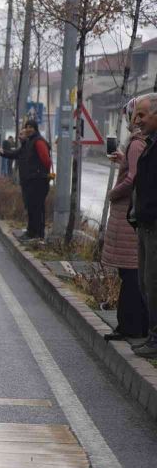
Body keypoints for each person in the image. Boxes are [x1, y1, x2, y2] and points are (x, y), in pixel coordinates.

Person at [101, 97, 147, 341]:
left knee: (130, 276)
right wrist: (122, 160)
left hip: (127, 216)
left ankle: (130, 326)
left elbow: (133, 179)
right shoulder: (139, 143)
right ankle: (133, 325)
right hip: (130, 215)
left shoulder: (136, 143)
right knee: (131, 276)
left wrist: (112, 193)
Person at [131, 93, 157, 357]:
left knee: (153, 282)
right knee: (146, 283)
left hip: (154, 225)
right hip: (146, 225)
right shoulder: (150, 144)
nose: (136, 120)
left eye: (142, 115)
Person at [0, 119, 52, 240]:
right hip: (29, 181)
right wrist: (2, 152)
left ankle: (38, 234)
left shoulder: (38, 142)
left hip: (37, 181)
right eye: (26, 127)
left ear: (35, 128)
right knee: (31, 207)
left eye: (31, 127)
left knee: (37, 208)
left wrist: (41, 173)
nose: (28, 129)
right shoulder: (29, 142)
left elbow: (46, 161)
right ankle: (31, 232)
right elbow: (15, 154)